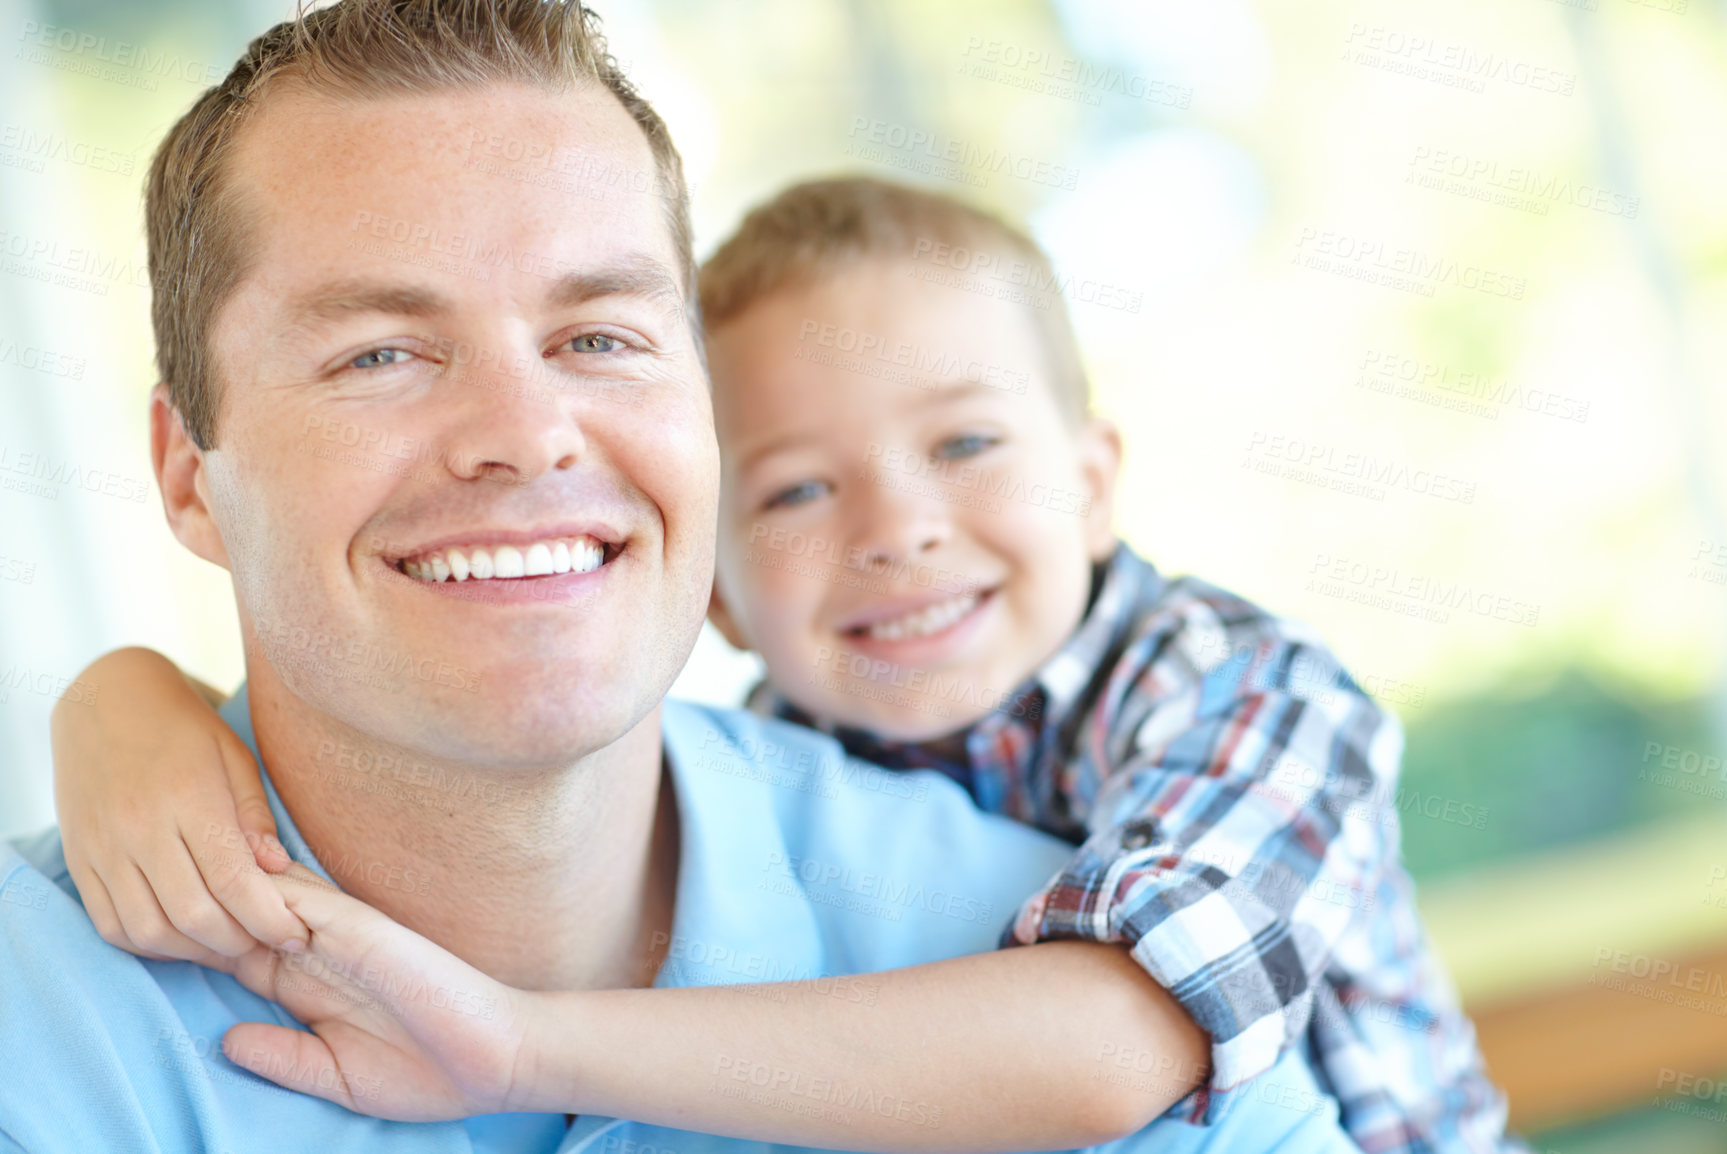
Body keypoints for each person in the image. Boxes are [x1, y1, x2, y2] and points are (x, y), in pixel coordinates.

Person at [42, 81, 1523, 1154]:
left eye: (598, 336)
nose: (525, 433)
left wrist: (512, 1045)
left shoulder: (1213, 725)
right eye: (379, 352)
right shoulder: (834, 721)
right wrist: (120, 694)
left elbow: (1122, 1046)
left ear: (1094, 482)